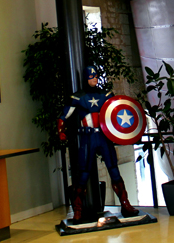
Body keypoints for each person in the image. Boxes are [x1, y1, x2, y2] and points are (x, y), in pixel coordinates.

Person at [57, 66, 139, 221]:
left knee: (114, 171)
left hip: (103, 136)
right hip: (87, 138)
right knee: (83, 174)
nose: (94, 78)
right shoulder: (78, 97)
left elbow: (117, 112)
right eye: (91, 76)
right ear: (86, 78)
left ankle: (125, 204)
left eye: (96, 76)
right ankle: (78, 210)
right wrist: (61, 131)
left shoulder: (105, 95)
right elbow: (63, 116)